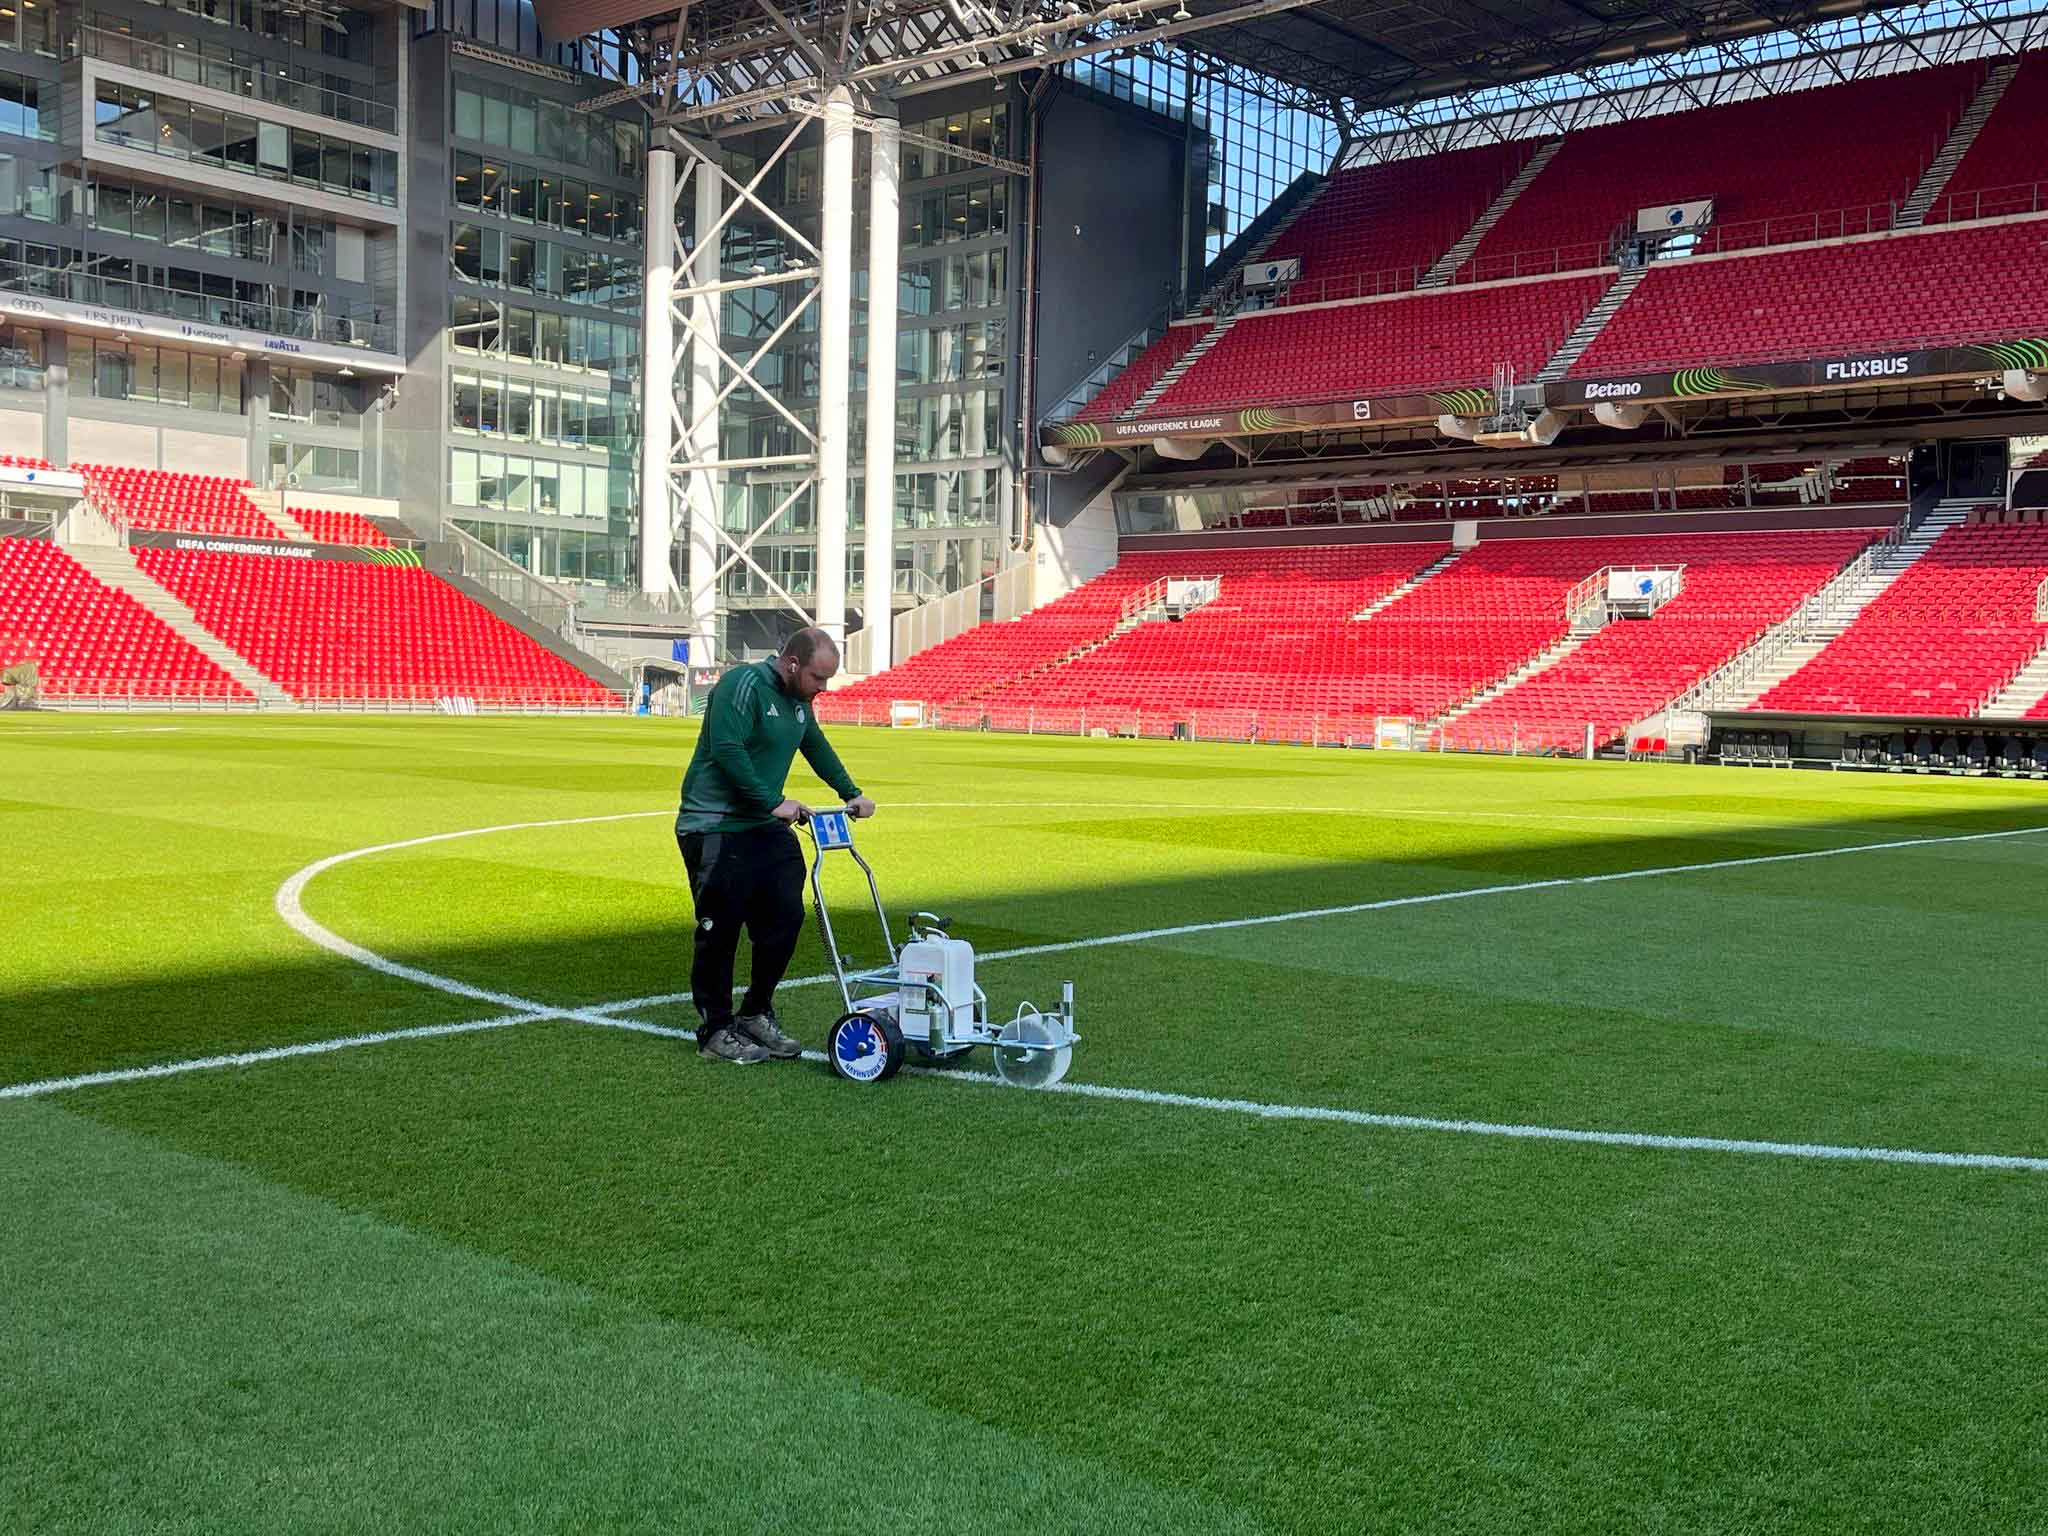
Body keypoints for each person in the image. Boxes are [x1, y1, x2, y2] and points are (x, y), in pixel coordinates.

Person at [675, 627, 875, 1065]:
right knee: (720, 928)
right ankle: (715, 1029)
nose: (823, 688)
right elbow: (726, 750)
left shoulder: (799, 703)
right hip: (714, 824)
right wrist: (772, 801)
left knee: (786, 916)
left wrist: (850, 792)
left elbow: (815, 746)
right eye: (818, 678)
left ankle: (755, 1012)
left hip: (761, 826)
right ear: (791, 664)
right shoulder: (741, 685)